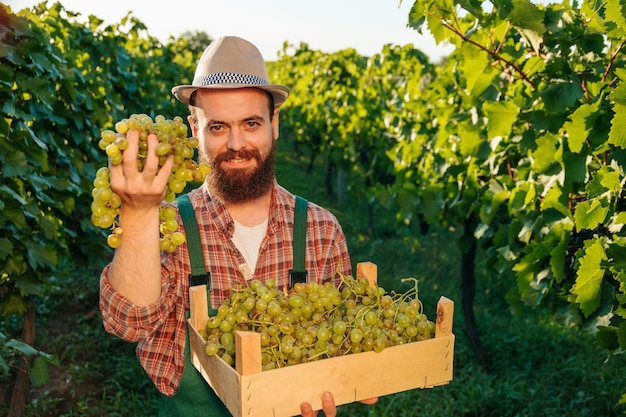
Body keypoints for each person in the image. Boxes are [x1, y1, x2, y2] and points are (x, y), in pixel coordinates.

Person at [99, 36, 377, 417]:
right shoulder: (167, 225)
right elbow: (126, 323)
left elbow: (343, 340)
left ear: (274, 123)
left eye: (250, 123)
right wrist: (138, 214)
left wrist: (352, 376)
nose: (236, 143)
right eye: (216, 127)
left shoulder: (321, 229)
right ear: (194, 130)